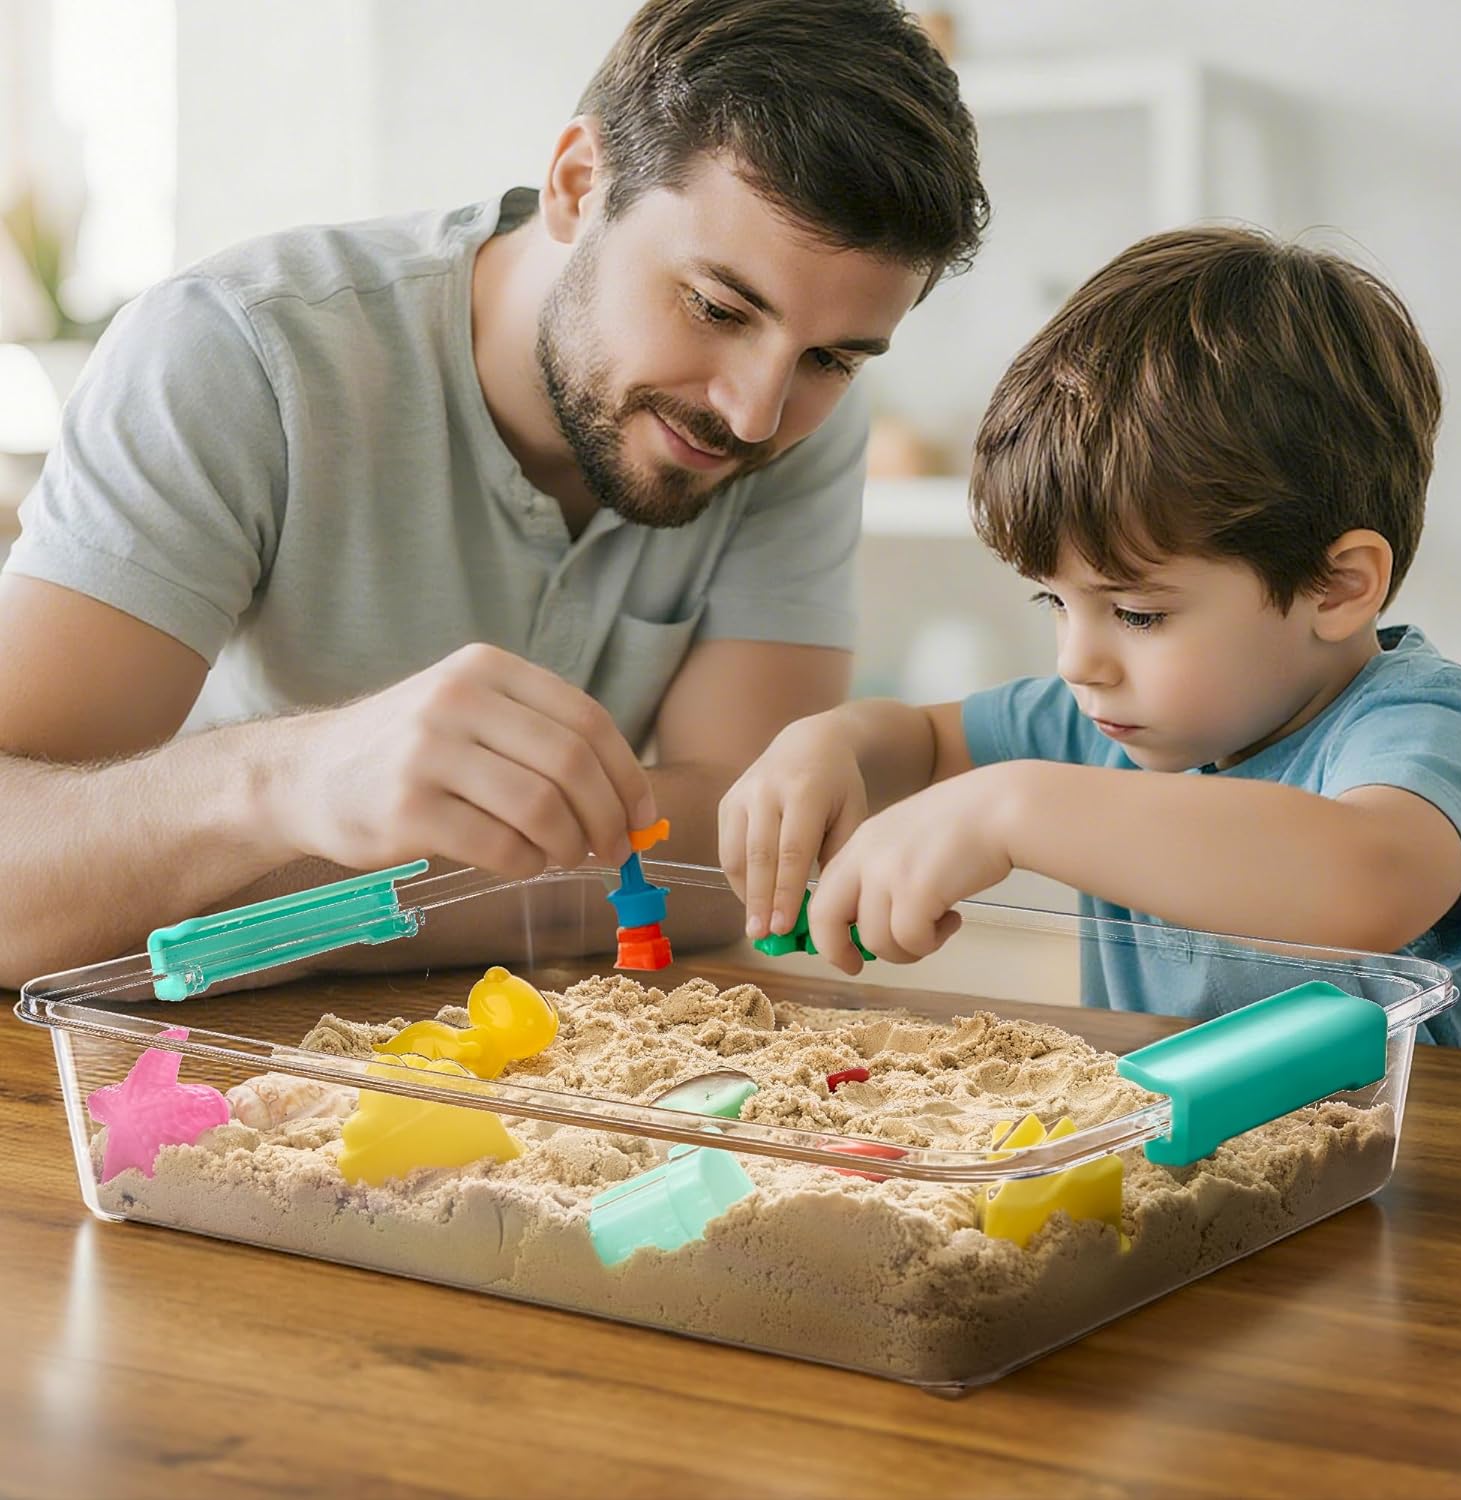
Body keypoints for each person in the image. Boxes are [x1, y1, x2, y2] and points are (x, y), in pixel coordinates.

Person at [0, 0, 989, 985]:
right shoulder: (235, 355)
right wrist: (286, 779)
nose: (757, 413)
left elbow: (739, 866)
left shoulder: (788, 419)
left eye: (830, 357)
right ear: (576, 182)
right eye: (716, 307)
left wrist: (201, 900)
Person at [720, 226, 1461, 1049]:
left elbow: (1368, 879)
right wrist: (828, 741)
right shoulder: (1110, 724)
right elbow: (917, 739)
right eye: (1054, 603)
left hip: (1426, 1171)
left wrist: (1010, 807)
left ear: (1336, 587)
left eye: (1137, 615)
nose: (1076, 662)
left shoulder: (1426, 727)